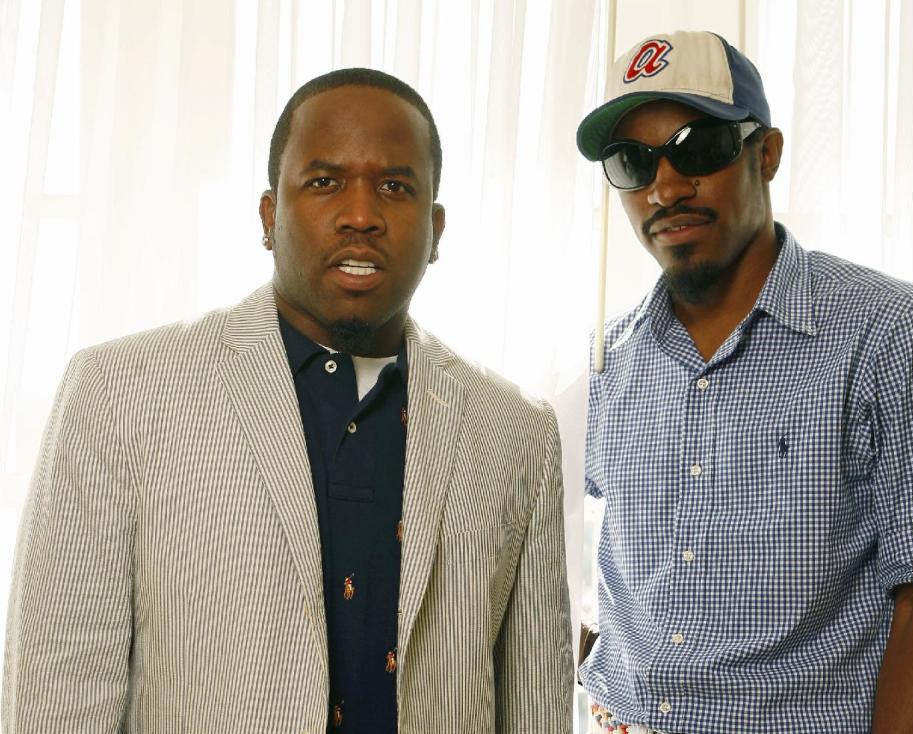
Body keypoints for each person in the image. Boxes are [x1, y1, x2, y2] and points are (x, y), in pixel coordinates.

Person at [2, 68, 573, 733]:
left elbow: (537, 706)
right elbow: (56, 685)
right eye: (324, 182)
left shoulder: (517, 431)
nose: (361, 215)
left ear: (437, 229)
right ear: (270, 217)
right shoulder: (118, 392)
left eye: (394, 186)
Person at [575, 30, 913, 734]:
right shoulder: (613, 357)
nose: (665, 186)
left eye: (698, 149)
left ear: (767, 153)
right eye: (633, 162)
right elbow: (615, 594)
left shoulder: (896, 332)